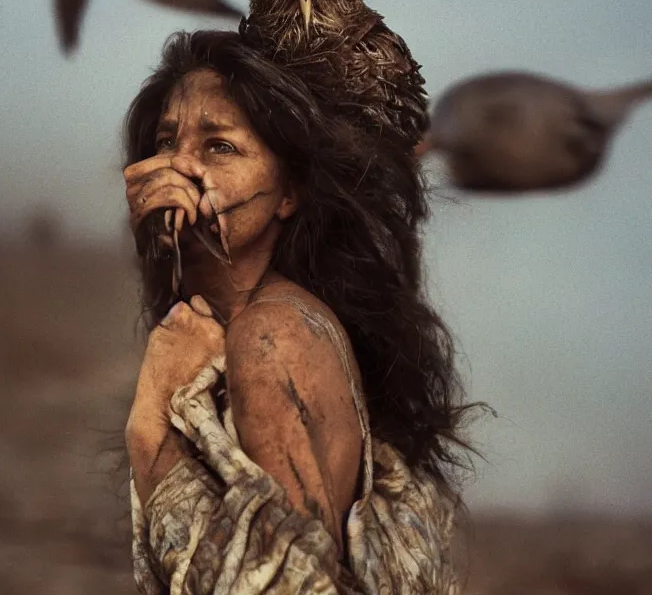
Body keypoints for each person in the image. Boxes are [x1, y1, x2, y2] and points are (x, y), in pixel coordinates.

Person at [123, 30, 475, 593]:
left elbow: (293, 585)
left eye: (220, 146)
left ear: (288, 193)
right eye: (167, 142)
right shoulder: (233, 322)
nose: (179, 166)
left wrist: (150, 432)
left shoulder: (269, 336)